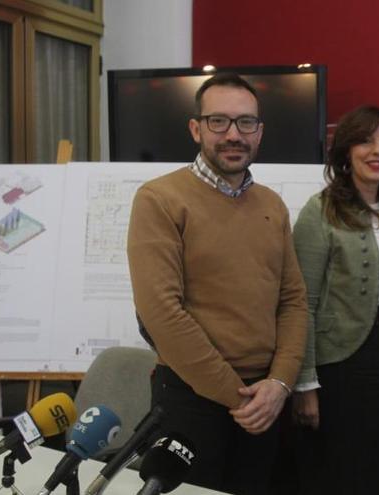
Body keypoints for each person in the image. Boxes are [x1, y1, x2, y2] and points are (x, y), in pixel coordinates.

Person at [126, 73, 308, 495]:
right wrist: (239, 397)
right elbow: (161, 314)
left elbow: (294, 300)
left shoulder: (271, 205)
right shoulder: (159, 199)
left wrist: (279, 384)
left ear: (259, 132)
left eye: (246, 123)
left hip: (264, 400)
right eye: (218, 122)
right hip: (193, 401)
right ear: (196, 128)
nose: (233, 135)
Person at [290, 105, 379, 495]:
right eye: (366, 140)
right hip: (340, 362)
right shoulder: (320, 211)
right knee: (339, 466)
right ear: (346, 152)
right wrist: (305, 383)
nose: (377, 150)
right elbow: (303, 302)